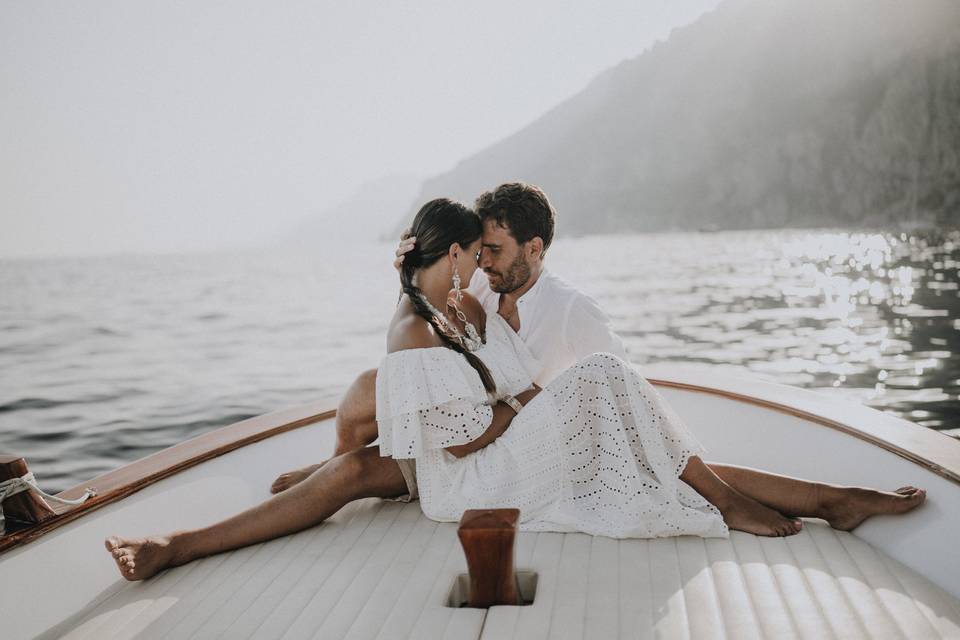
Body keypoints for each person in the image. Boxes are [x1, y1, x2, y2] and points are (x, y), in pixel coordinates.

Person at [106, 196, 925, 580]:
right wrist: (526, 405)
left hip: (507, 451)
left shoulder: (463, 308)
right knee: (613, 391)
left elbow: (469, 400)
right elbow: (459, 434)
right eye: (476, 252)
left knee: (638, 434)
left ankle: (832, 497)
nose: (483, 267)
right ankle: (800, 498)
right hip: (472, 479)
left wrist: (511, 389)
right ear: (457, 250)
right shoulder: (419, 327)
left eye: (492, 254)